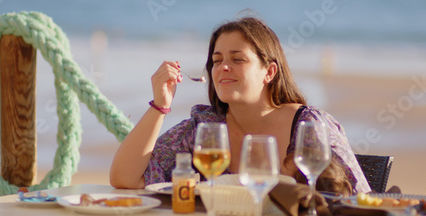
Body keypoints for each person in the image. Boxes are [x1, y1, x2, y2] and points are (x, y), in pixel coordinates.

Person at [110, 17, 371, 195]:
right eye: (217, 59)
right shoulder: (205, 128)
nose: (223, 67)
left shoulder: (309, 126)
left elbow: (360, 197)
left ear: (269, 72)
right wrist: (160, 105)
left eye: (238, 59)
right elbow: (125, 178)